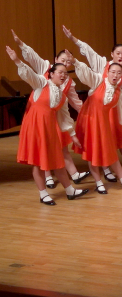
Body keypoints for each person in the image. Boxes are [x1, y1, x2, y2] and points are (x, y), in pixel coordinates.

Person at [7, 46, 89, 205]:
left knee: (57, 159)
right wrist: (17, 60)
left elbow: (65, 118)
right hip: (35, 127)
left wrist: (73, 135)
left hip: (50, 128)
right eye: (60, 72)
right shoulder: (41, 83)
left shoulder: (62, 97)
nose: (63, 76)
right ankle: (43, 194)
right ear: (51, 74)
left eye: (66, 73)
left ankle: (70, 190)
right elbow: (29, 74)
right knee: (38, 161)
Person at [63, 25, 122, 179]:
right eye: (118, 53)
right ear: (112, 54)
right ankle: (106, 170)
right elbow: (88, 51)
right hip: (97, 108)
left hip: (113, 110)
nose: (121, 56)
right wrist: (73, 39)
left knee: (118, 139)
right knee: (102, 140)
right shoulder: (102, 65)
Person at [70, 53, 122, 191]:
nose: (115, 75)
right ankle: (99, 183)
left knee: (109, 150)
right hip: (89, 122)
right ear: (107, 72)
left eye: (118, 73)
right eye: (113, 72)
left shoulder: (119, 93)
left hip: (103, 123)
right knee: (91, 153)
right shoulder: (98, 81)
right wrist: (75, 61)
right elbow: (87, 73)